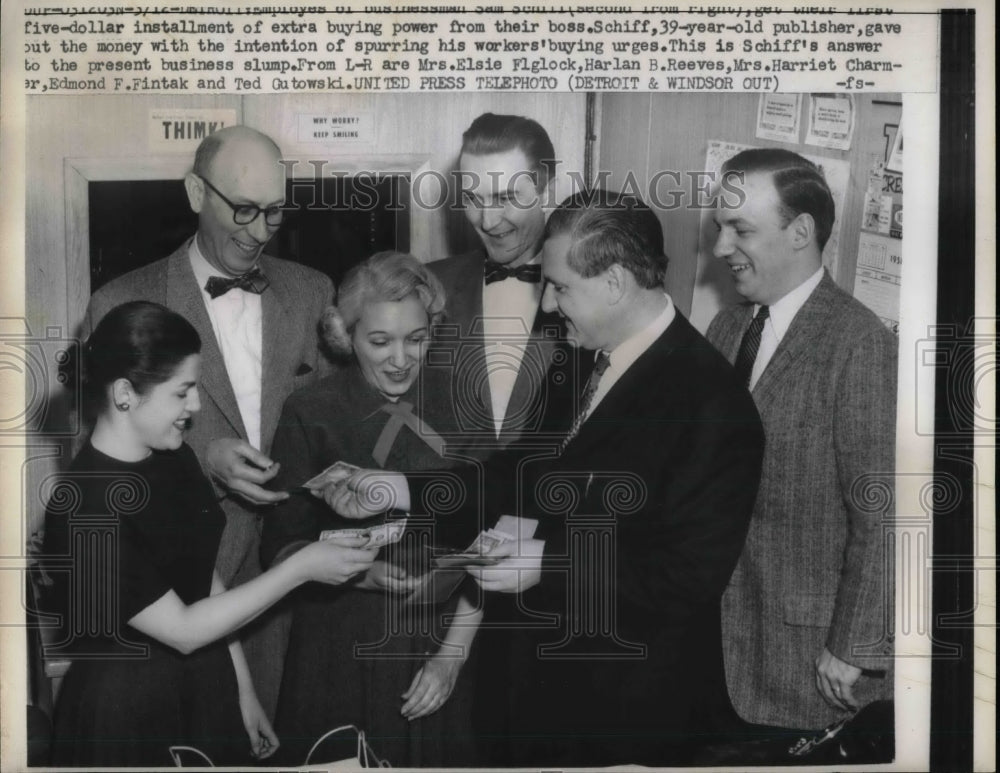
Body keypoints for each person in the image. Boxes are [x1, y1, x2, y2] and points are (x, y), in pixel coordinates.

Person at [322, 193, 766, 766]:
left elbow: (687, 578)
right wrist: (401, 490)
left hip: (621, 713)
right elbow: (520, 477)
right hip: (527, 694)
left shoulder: (714, 405)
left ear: (614, 282)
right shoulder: (578, 358)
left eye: (560, 288)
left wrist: (547, 563)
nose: (549, 306)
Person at [40, 301, 377, 767]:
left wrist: (242, 690)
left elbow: (201, 577)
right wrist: (299, 569)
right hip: (129, 714)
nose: (195, 406)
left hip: (203, 686)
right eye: (182, 392)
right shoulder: (84, 506)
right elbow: (181, 630)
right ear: (124, 394)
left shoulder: (173, 456)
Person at [81, 125, 334, 717]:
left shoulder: (313, 292)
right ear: (197, 192)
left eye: (274, 211)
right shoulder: (119, 303)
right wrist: (206, 459)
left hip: (295, 569)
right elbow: (101, 457)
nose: (260, 231)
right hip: (179, 583)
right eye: (243, 208)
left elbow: (330, 424)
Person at [260, 252, 482, 767]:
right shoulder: (309, 410)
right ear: (346, 335)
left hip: (441, 638)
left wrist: (452, 657)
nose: (400, 359)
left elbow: (492, 537)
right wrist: (360, 575)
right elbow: (279, 546)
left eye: (416, 339)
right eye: (380, 342)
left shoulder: (464, 402)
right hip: (338, 643)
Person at [706, 148, 896, 733]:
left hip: (809, 666)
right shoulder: (726, 327)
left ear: (800, 232)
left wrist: (854, 645)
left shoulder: (859, 343)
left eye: (740, 229)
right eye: (719, 228)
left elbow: (883, 514)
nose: (720, 247)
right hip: (715, 649)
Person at [428, 113, 568, 449]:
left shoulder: (592, 292)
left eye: (505, 198)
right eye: (473, 199)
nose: (488, 222)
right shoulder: (430, 285)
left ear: (546, 190)